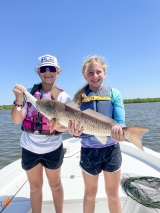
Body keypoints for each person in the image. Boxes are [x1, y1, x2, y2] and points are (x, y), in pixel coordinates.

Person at [11, 54, 71, 213]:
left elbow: (64, 126)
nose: (48, 72)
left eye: (52, 69)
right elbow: (17, 119)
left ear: (58, 71)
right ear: (38, 72)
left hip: (53, 148)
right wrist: (18, 99)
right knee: (35, 187)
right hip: (29, 148)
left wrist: (64, 127)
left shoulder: (64, 97)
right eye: (44, 69)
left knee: (55, 184)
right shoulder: (28, 94)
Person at [68, 55, 125, 213]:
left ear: (104, 73)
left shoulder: (114, 94)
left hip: (112, 149)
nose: (95, 76)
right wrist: (74, 133)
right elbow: (74, 127)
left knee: (113, 194)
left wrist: (121, 131)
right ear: (84, 75)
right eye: (90, 73)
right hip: (88, 151)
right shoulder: (78, 98)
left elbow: (120, 122)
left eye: (98, 72)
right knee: (90, 193)